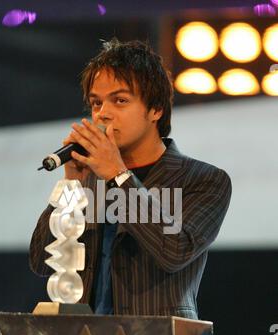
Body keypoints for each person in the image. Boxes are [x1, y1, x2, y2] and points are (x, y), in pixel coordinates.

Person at [29, 38, 232, 319]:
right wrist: (70, 185)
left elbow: (173, 251)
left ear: (156, 109)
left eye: (120, 100)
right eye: (96, 103)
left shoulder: (204, 180)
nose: (103, 114)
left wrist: (118, 175)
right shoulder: (89, 181)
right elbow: (41, 261)